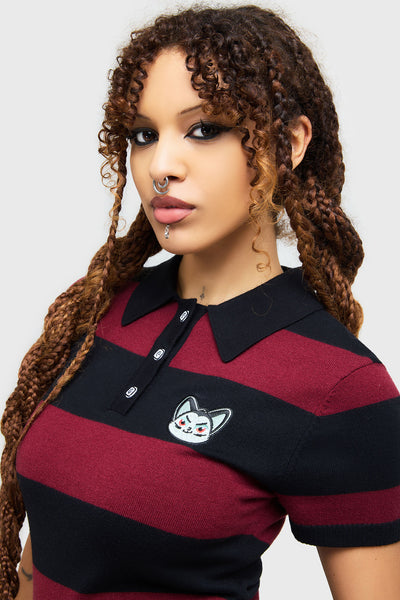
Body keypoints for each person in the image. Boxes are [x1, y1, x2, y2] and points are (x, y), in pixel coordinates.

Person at [1, 4, 399, 599]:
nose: (161, 166)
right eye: (144, 135)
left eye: (204, 129)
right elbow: (41, 565)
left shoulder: (339, 384)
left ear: (289, 144)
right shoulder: (100, 311)